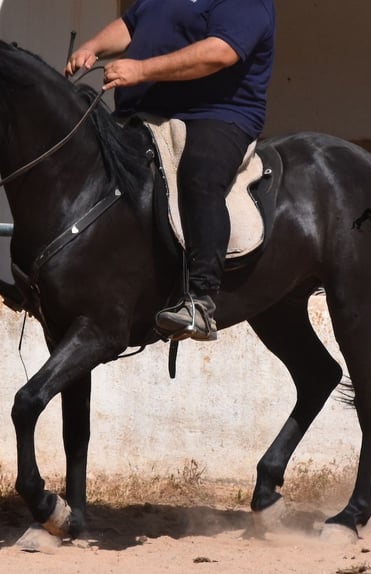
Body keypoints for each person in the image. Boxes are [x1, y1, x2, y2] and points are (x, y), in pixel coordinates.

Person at [65, 0, 276, 341]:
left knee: (200, 176)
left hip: (217, 114)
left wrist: (141, 70)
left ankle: (200, 300)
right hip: (145, 111)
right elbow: (132, 26)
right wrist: (93, 47)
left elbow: (219, 52)